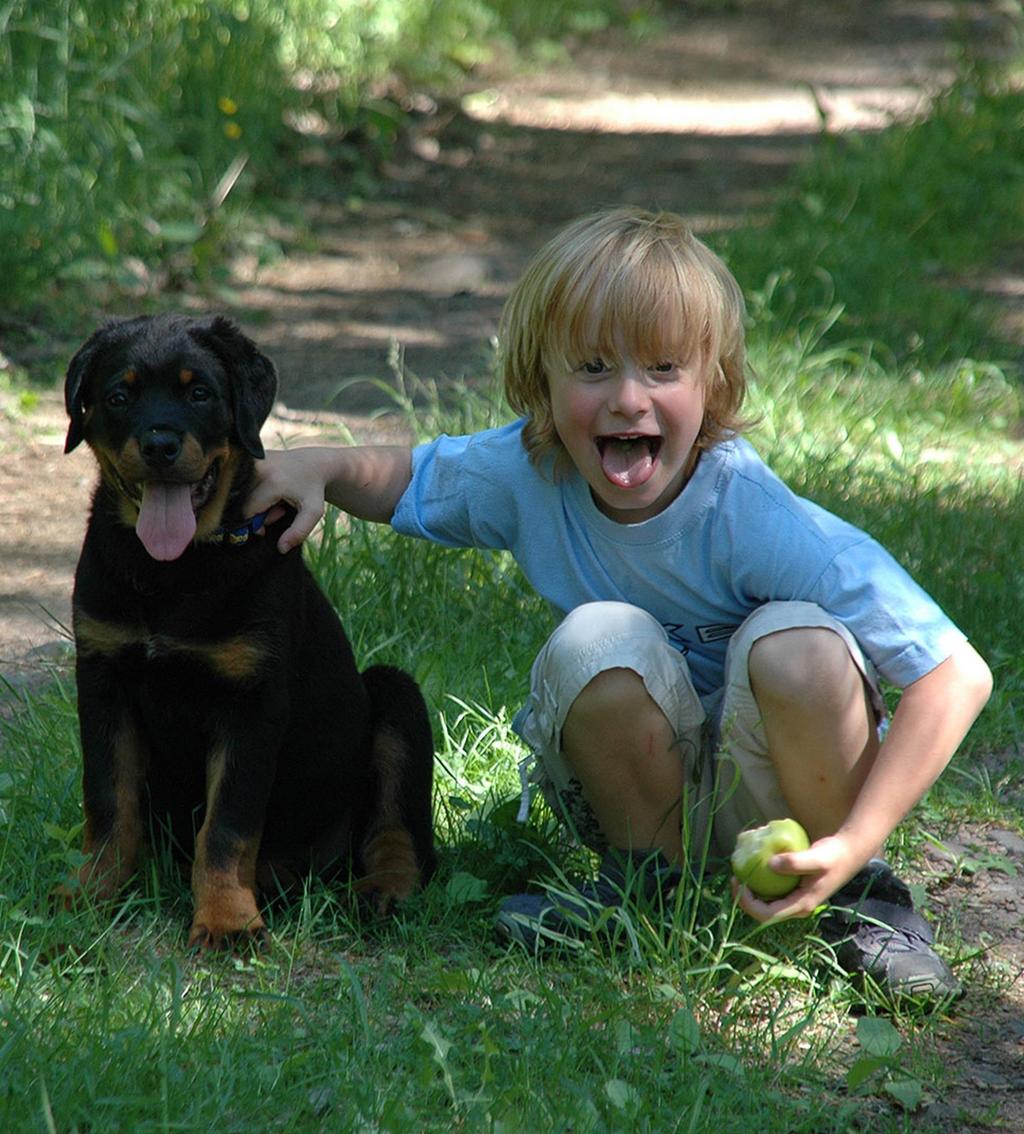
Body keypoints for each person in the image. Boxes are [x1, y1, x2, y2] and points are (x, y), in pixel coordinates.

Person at [246, 207, 992, 1001]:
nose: (628, 399)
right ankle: (643, 891)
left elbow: (956, 675)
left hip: (785, 797)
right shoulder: (529, 472)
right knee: (592, 638)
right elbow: (406, 477)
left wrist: (855, 841)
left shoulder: (753, 515)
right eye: (594, 367)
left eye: (664, 369)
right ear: (540, 382)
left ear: (716, 385)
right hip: (635, 789)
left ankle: (860, 900)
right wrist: (317, 466)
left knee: (798, 646)